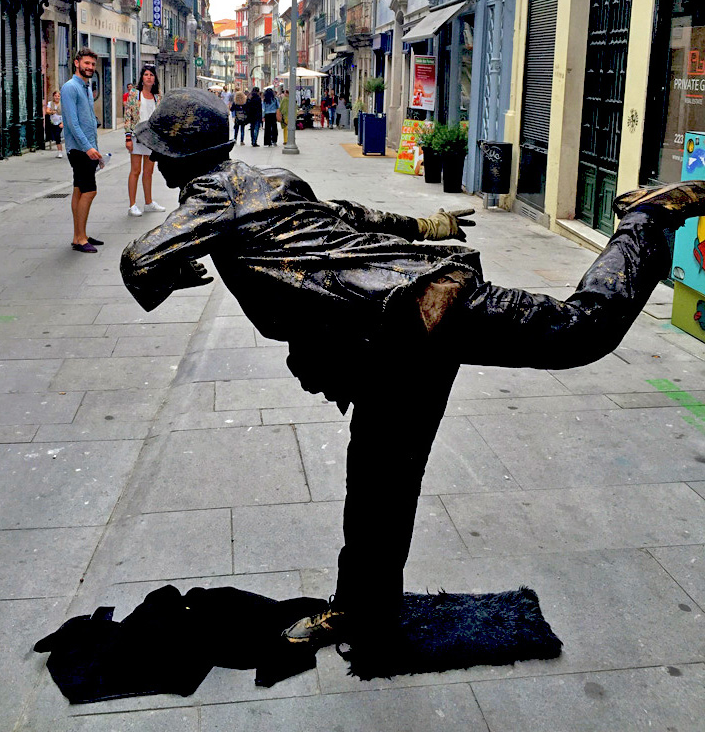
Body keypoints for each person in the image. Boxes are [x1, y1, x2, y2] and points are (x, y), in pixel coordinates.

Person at [120, 89, 705, 657]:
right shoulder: (265, 180)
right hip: (390, 341)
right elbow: (348, 215)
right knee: (378, 477)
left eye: (158, 152)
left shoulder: (212, 198)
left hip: (425, 311)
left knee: (581, 331)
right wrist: (428, 227)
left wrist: (163, 274)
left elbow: (139, 258)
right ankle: (361, 606)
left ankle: (645, 219)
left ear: (176, 158)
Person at [60, 48, 102, 253]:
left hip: (87, 147)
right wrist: (88, 148)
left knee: (78, 190)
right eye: (86, 63)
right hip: (79, 149)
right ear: (77, 63)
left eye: (93, 64)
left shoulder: (86, 86)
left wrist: (96, 148)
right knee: (89, 191)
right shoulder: (70, 88)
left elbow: (88, 121)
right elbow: (72, 123)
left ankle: (79, 234)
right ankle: (81, 238)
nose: (90, 67)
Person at [124, 66, 166, 217]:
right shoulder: (134, 94)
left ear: (155, 78)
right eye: (146, 75)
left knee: (149, 172)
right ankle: (132, 205)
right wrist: (128, 137)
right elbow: (128, 115)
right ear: (142, 77)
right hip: (136, 136)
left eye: (151, 75)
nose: (149, 77)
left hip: (152, 138)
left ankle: (148, 203)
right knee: (135, 171)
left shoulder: (157, 96)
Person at [45, 90, 64, 157]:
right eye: (55, 96)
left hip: (60, 122)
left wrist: (63, 123)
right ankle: (59, 150)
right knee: (54, 136)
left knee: (57, 135)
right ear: (53, 97)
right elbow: (47, 111)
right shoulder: (50, 103)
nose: (57, 97)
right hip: (52, 122)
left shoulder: (63, 104)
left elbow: (66, 114)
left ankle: (60, 152)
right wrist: (51, 112)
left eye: (58, 96)